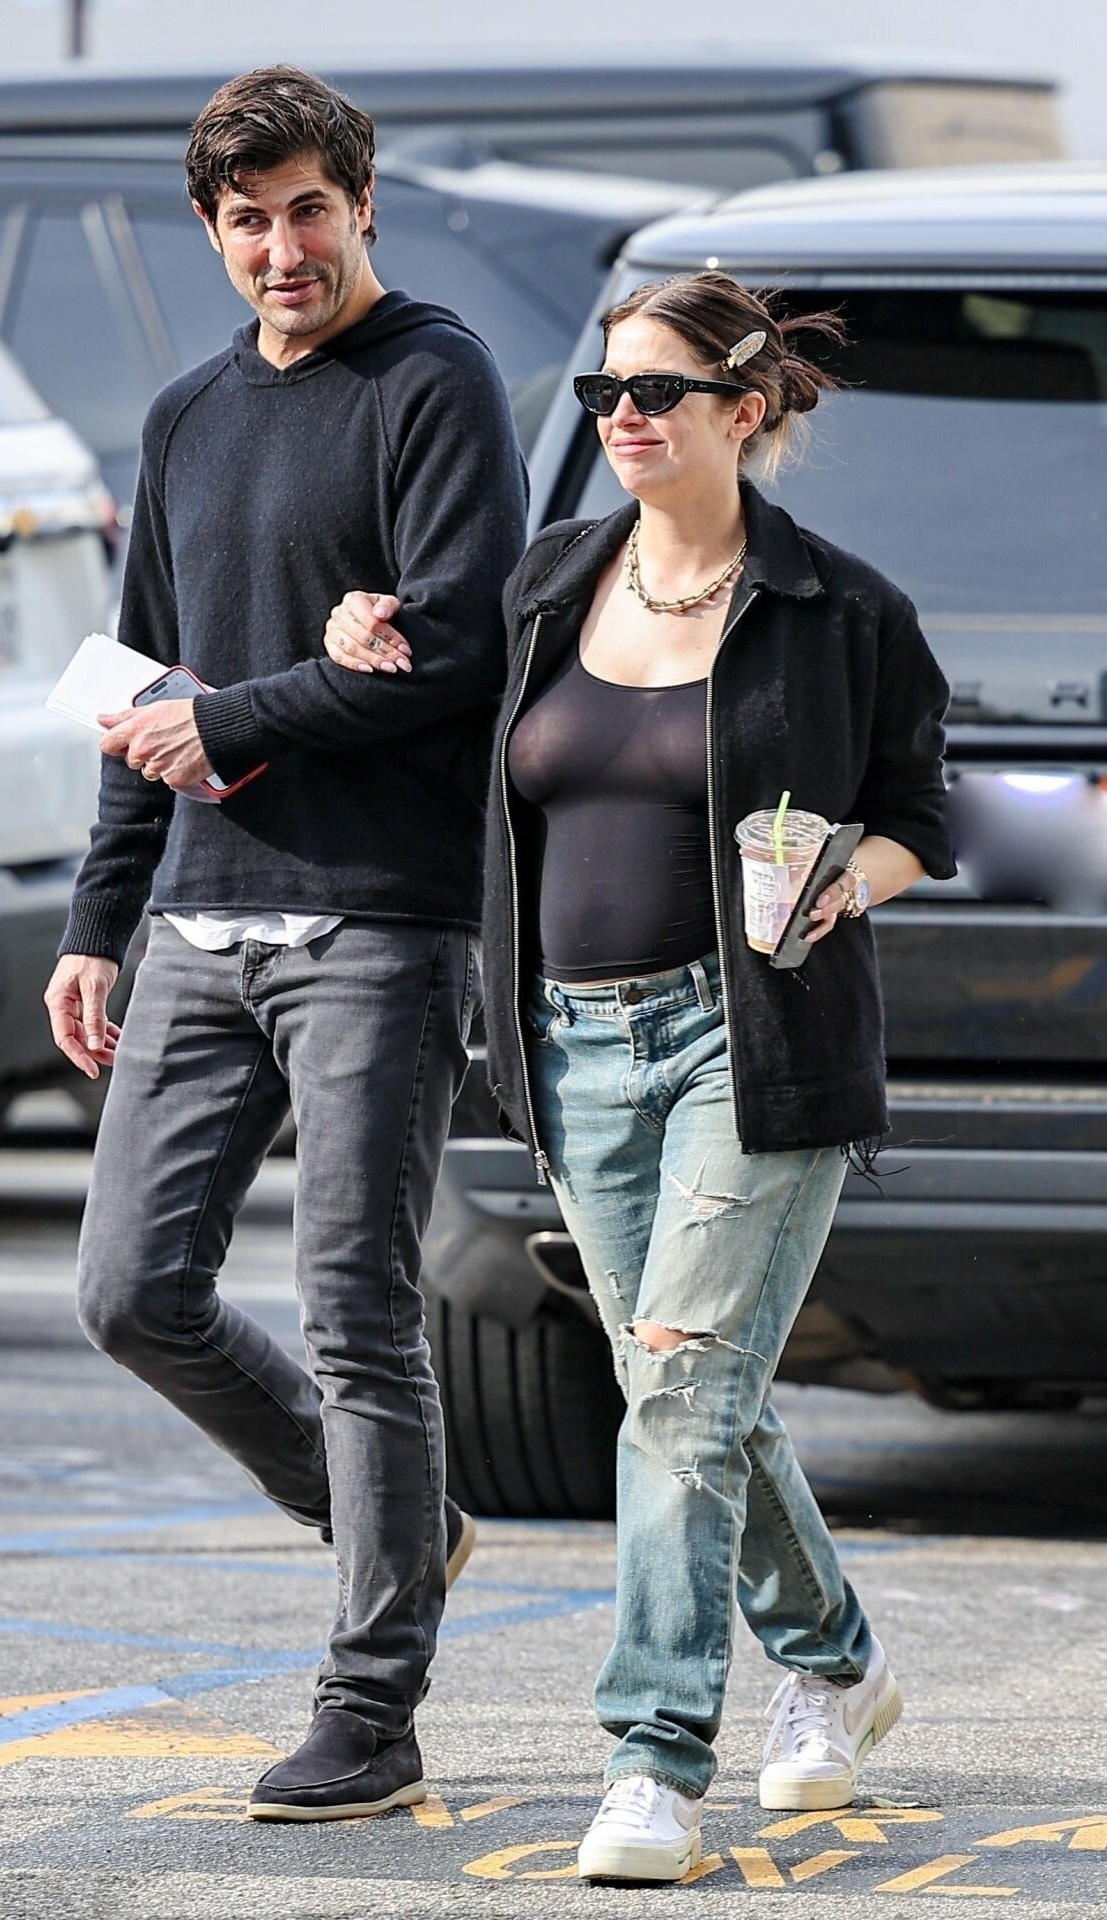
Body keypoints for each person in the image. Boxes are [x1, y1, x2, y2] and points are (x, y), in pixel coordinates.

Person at [321, 271, 955, 1880]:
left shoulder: (837, 609)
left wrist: (846, 882)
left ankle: (652, 1761)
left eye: (657, 391)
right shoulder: (550, 582)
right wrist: (358, 634)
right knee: (687, 1393)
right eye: (607, 390)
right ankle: (836, 1664)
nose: (622, 416)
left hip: (750, 1043)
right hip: (569, 1045)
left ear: (743, 410)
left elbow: (918, 815)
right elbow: (439, 709)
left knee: (676, 1386)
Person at [42, 65, 528, 1822]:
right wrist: (98, 918)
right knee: (128, 1292)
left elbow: (459, 652)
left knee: (356, 1310)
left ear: (361, 204)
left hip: (377, 921)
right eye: (247, 221)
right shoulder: (185, 418)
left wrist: (245, 717)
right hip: (193, 909)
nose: (282, 249)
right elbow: (144, 691)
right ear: (210, 230)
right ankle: (389, 1520)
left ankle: (369, 1708)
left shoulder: (432, 380)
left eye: (308, 210)